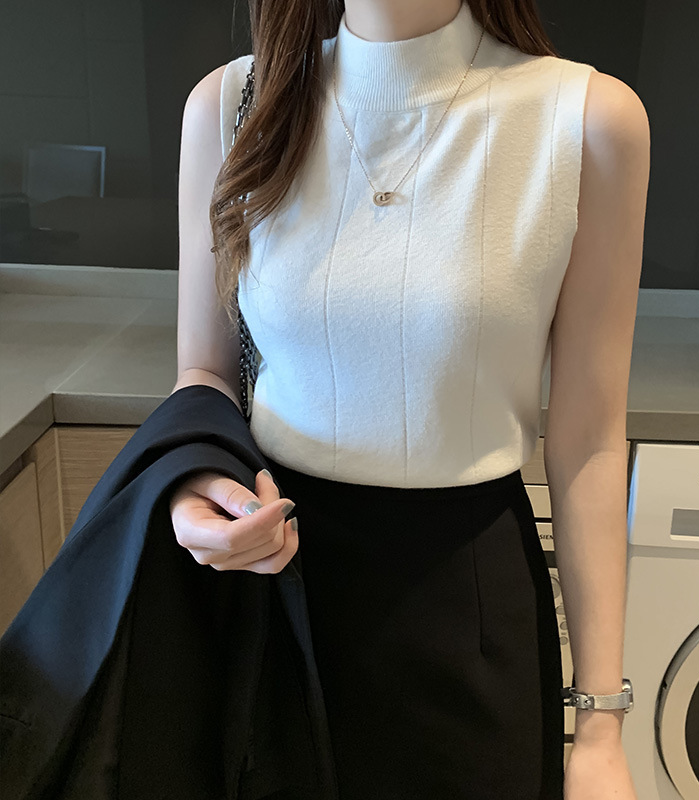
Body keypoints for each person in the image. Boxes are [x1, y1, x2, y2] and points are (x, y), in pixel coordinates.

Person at [170, 0, 650, 797]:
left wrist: (600, 728)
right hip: (273, 591)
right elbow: (204, 373)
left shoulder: (589, 121)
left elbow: (591, 439)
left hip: (467, 606)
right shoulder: (230, 107)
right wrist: (198, 487)